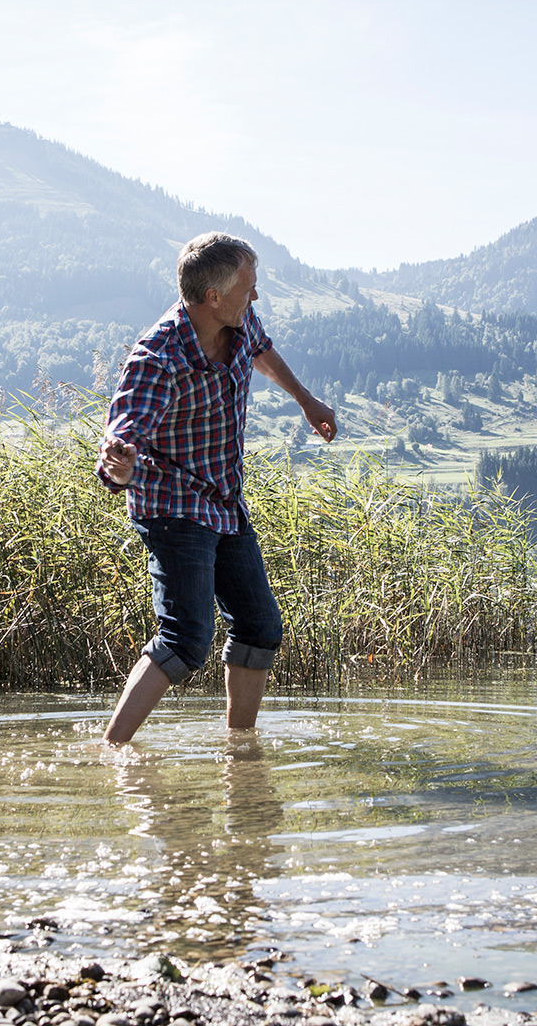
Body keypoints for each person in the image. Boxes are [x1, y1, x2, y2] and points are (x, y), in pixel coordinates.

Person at [96, 232, 337, 744]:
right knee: (186, 638)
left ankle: (238, 750)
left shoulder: (239, 321)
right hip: (173, 506)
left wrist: (305, 400)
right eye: (249, 287)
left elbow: (262, 351)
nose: (256, 297)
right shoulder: (157, 357)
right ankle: (112, 749)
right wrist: (119, 466)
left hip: (224, 501)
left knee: (259, 627)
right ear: (212, 297)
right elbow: (122, 436)